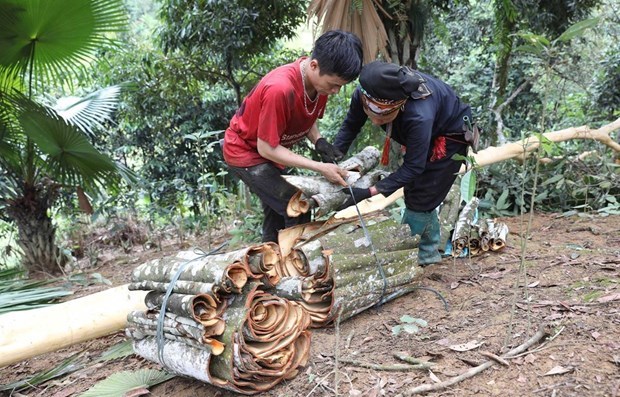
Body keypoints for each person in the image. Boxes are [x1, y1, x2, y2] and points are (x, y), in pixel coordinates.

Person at [222, 30, 363, 243]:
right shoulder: (280, 89)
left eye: (340, 86)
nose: (335, 91)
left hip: (270, 152)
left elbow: (306, 115)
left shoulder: (319, 85)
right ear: (314, 65)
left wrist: (319, 141)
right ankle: (297, 263)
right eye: (334, 84)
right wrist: (319, 167)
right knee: (296, 205)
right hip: (246, 152)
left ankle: (269, 259)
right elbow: (266, 148)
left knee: (277, 209)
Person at [334, 61, 476, 266]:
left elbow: (413, 167)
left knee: (421, 197)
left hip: (448, 136)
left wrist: (370, 192)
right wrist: (333, 156)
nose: (375, 119)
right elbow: (351, 124)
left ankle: (419, 256)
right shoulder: (364, 92)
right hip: (423, 131)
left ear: (399, 104)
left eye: (382, 112)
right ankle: (427, 245)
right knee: (416, 190)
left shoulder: (419, 114)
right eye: (372, 109)